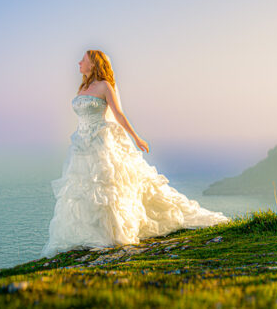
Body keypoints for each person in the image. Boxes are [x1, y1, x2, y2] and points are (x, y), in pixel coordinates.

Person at [40, 50, 230, 258]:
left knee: (106, 189)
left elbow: (119, 114)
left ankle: (112, 233)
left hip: (100, 142)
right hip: (81, 144)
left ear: (93, 64)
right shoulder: (83, 87)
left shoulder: (105, 86)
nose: (78, 63)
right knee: (83, 190)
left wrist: (136, 138)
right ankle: (89, 234)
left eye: (83, 60)